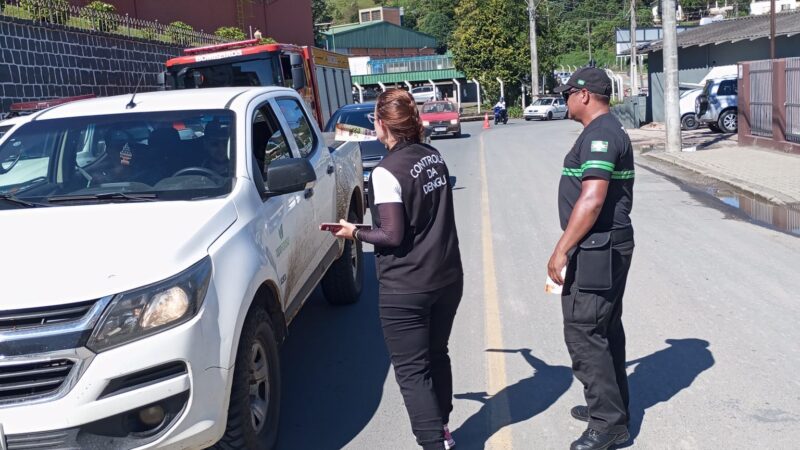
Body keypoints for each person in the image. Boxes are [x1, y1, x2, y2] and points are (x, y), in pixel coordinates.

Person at [332, 89, 463, 450]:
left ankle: (434, 442)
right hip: (447, 277)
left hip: (408, 286)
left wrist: (353, 231)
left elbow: (391, 234)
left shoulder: (387, 172)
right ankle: (443, 428)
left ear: (381, 124)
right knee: (437, 354)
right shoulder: (433, 157)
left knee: (412, 370)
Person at [549, 67, 636, 450]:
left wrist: (561, 248)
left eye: (567, 93)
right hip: (603, 244)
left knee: (584, 332)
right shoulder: (601, 131)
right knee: (604, 328)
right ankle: (610, 407)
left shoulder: (601, 135)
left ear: (584, 95)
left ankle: (608, 424)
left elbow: (593, 198)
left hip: (598, 247)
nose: (564, 100)